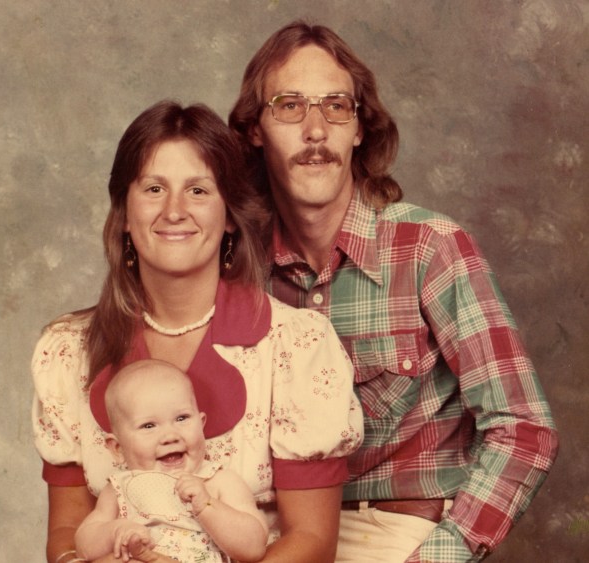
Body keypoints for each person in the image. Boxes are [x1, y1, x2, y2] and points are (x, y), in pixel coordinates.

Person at [228, 20, 559, 563]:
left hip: (399, 535)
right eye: (290, 106)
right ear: (254, 130)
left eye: (336, 106)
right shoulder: (238, 267)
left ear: (360, 128)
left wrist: (439, 556)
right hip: (275, 533)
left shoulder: (431, 248)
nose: (316, 130)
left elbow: (524, 430)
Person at [32, 99, 364, 563]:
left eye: (198, 190)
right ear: (124, 213)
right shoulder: (68, 351)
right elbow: (68, 532)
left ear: (228, 216)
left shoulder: (297, 345)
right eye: (154, 189)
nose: (174, 211)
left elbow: (310, 540)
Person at [75, 359, 268, 563]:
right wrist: (115, 531)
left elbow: (254, 547)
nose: (170, 436)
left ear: (201, 424)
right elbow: (84, 545)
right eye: (149, 426)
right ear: (118, 448)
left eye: (181, 418)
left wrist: (207, 505)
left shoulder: (218, 481)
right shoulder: (119, 487)